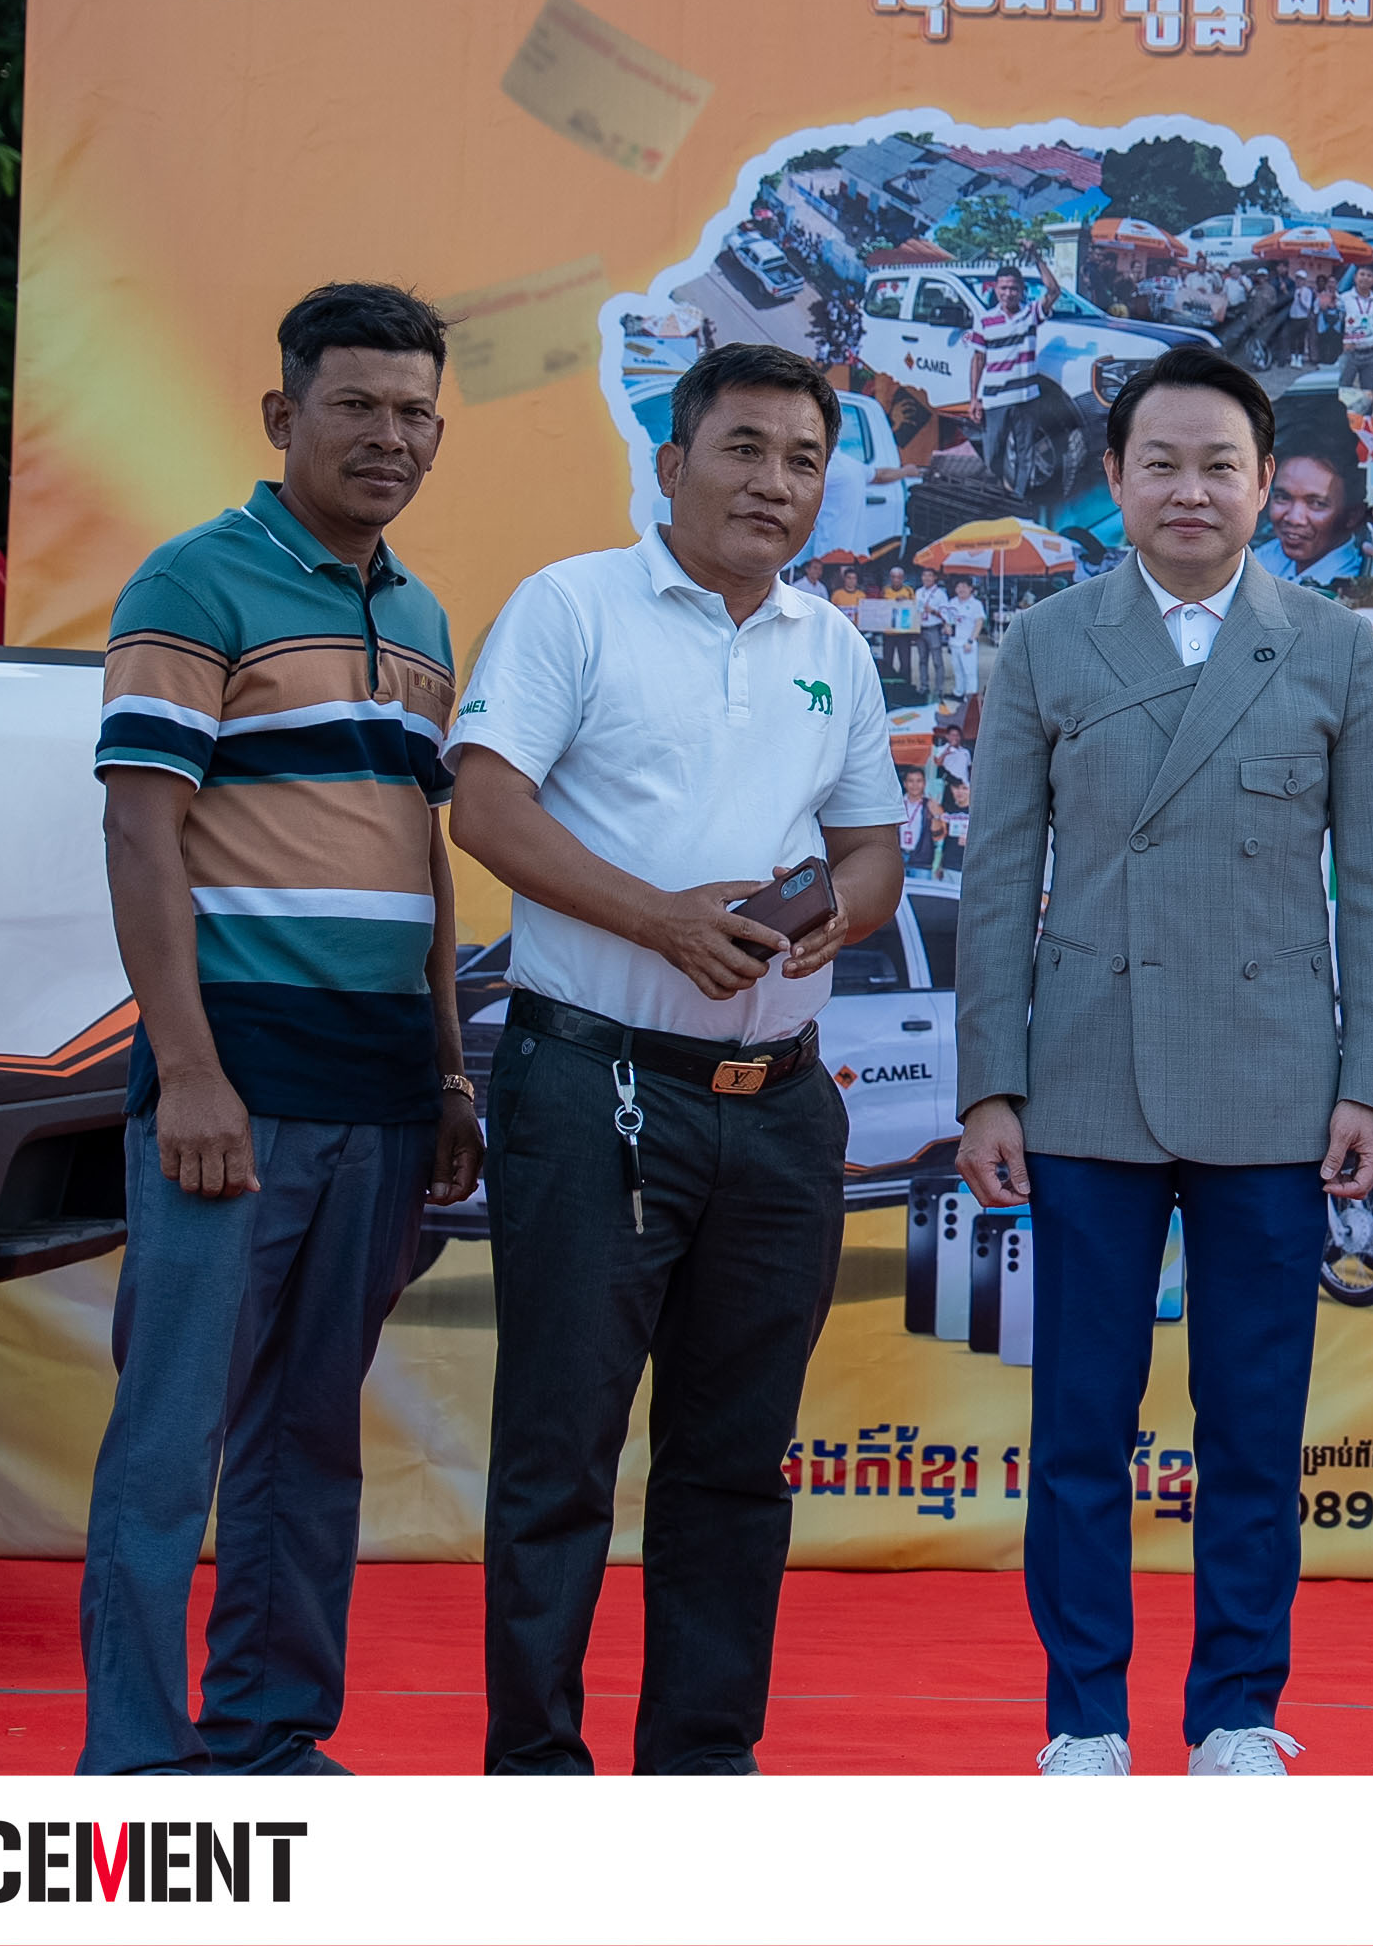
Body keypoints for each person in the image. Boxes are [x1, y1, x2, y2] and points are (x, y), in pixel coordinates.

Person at [954, 344, 1373, 1778]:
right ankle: (1084, 1716)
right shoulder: (1050, 642)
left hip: (1274, 1087)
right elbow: (997, 875)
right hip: (1087, 1079)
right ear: (1115, 477)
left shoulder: (1334, 646)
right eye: (1160, 462)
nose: (1191, 490)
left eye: (1221, 464)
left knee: (1254, 1428)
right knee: (1080, 1424)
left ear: (1268, 482)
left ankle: (1236, 1710)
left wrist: (1370, 1077)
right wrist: (990, 1082)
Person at [449, 340, 907, 1775]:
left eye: (803, 460)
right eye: (745, 448)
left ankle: (700, 1774)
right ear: (672, 462)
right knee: (559, 1456)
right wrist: (662, 921)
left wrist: (833, 914)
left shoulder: (832, 645)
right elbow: (484, 809)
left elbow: (875, 852)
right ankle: (537, 1775)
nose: (775, 483)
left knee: (734, 1464)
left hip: (778, 1111)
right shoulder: (572, 606)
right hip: (594, 1088)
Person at [80, 282, 482, 1775]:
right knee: (169, 1437)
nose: (391, 437)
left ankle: (267, 1738)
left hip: (382, 1094)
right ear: (282, 414)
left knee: (309, 1437)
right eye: (356, 405)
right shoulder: (195, 583)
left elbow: (424, 854)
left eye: (415, 413)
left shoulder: (422, 616)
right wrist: (188, 1072)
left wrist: (449, 1070)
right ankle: (136, 1762)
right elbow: (139, 835)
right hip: (233, 1094)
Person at [1257, 403, 1370, 591]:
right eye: (1283, 497)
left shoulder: (1350, 583)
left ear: (1352, 516)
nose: (1294, 518)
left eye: (1317, 503)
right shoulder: (1269, 556)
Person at [972, 258, 1060, 487]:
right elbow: (978, 359)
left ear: (1021, 290)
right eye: (1003, 288)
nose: (1008, 293)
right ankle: (996, 495)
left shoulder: (1030, 313)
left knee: (1025, 453)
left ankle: (1019, 497)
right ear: (995, 288)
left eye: (1013, 288)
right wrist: (974, 398)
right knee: (993, 454)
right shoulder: (984, 320)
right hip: (995, 399)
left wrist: (1037, 258)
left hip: (1026, 397)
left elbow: (1053, 290)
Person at [1336, 274, 1373, 398]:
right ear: (1355, 278)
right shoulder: (1343, 299)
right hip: (1349, 353)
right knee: (1344, 390)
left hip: (1371, 353)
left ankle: (1366, 411)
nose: (1365, 278)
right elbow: (1336, 323)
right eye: (1362, 275)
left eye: (1369, 276)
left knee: (1368, 393)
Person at [941, 575, 987, 699]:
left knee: (969, 672)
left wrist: (971, 641)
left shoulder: (976, 604)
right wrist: (947, 627)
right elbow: (947, 621)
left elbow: (979, 623)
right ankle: (958, 693)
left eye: (964, 587)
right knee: (958, 671)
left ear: (970, 588)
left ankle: (970, 698)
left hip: (967, 644)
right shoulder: (952, 602)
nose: (961, 589)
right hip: (954, 643)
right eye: (958, 587)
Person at [898, 763, 940, 874]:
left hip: (922, 861)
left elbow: (938, 836)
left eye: (919, 781)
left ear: (924, 783)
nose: (915, 785)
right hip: (898, 859)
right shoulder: (898, 805)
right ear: (904, 783)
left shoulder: (930, 805)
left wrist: (935, 815)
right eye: (911, 781)